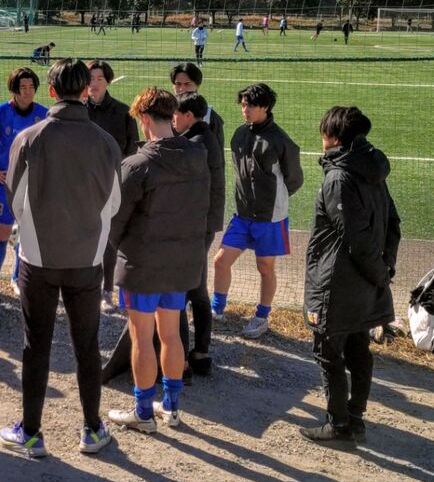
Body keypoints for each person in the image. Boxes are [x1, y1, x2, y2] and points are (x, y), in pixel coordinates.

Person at [0, 59, 121, 457]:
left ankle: (31, 433)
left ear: (51, 91)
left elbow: (16, 200)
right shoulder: (105, 141)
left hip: (38, 259)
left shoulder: (29, 138)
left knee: (36, 344)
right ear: (86, 90)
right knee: (87, 344)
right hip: (87, 259)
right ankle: (92, 429)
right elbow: (113, 203)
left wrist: (36, 235)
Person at [106, 88, 209, 434]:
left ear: (145, 118)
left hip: (142, 264)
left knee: (142, 337)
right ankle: (172, 407)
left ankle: (142, 412)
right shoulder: (197, 155)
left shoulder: (137, 165)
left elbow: (115, 221)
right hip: (181, 262)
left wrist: (120, 249)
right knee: (171, 334)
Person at [301, 106, 400, 443]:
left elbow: (355, 238)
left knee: (328, 352)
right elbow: (393, 224)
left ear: (334, 137)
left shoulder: (338, 178)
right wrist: (384, 269)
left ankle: (339, 423)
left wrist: (380, 274)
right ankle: (355, 418)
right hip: (364, 283)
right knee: (359, 349)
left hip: (338, 284)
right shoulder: (372, 170)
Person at [211, 83, 303, 339]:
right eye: (243, 105)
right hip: (242, 215)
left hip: (270, 217)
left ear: (265, 107)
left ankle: (261, 317)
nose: (245, 110)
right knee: (220, 261)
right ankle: (216, 310)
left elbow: (294, 178)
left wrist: (274, 199)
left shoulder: (280, 140)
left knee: (265, 267)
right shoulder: (240, 134)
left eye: (250, 105)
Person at [0, 67, 49, 304]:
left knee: (27, 233)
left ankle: (17, 278)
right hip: (7, 185)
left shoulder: (44, 114)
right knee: (2, 233)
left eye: (31, 87)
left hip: (32, 186)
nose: (27, 92)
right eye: (22, 87)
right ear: (14, 89)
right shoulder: (1, 112)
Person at [172, 91, 226, 378]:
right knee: (197, 288)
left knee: (181, 290)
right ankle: (201, 353)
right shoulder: (206, 137)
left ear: (188, 116)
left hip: (194, 226)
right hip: (205, 224)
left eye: (175, 114)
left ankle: (180, 359)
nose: (173, 119)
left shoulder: (195, 144)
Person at [85, 59, 139, 311]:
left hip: (111, 185)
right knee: (83, 237)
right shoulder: (77, 111)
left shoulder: (123, 112)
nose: (94, 83)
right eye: (90, 78)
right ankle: (84, 289)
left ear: (108, 81)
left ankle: (106, 291)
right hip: (81, 186)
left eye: (99, 78)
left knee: (108, 240)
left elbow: (132, 151)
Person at [170, 62, 225, 151]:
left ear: (197, 85)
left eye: (187, 84)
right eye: (178, 84)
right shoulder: (164, 112)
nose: (182, 89)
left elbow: (218, 154)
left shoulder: (209, 116)